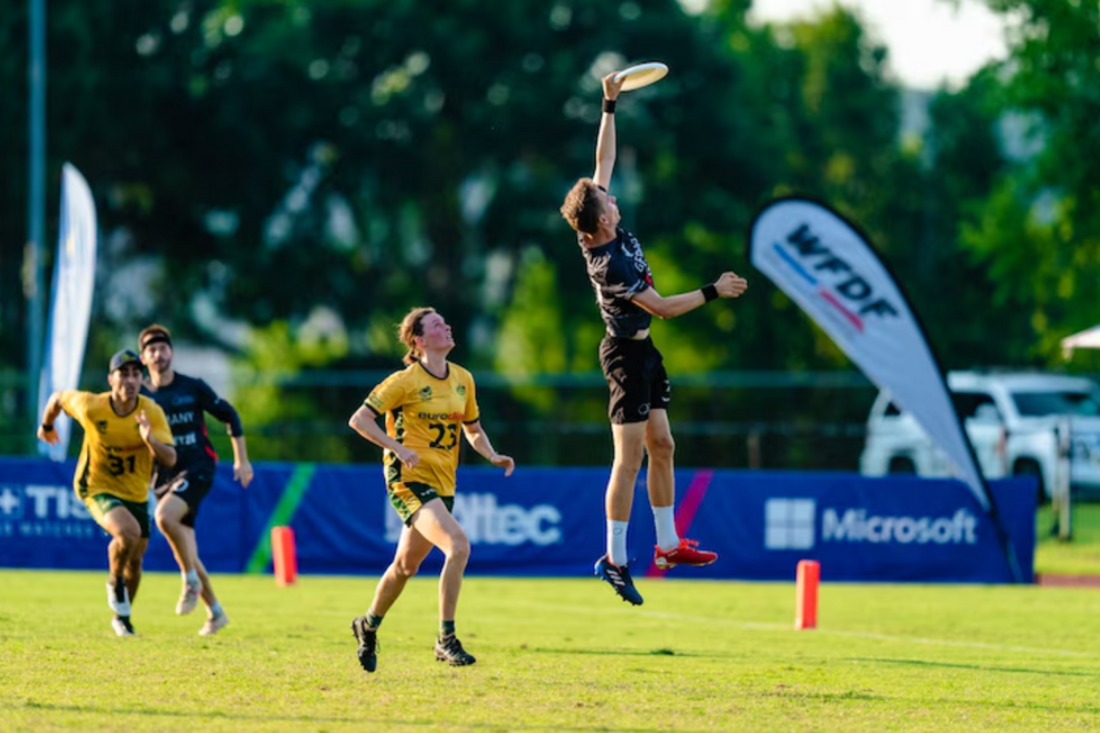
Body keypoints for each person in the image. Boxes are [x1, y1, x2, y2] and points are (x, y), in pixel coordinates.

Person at [559, 71, 749, 606]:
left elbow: (603, 163)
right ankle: (615, 559)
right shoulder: (607, 261)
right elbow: (664, 308)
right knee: (629, 459)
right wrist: (713, 290)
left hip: (644, 352)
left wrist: (609, 103)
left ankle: (668, 545)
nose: (614, 200)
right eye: (607, 204)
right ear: (596, 226)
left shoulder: (601, 223)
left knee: (663, 444)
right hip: (623, 355)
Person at [346, 307, 515, 673]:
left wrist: (492, 454)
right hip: (408, 480)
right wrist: (396, 447)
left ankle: (367, 624)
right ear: (419, 341)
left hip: (443, 482)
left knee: (405, 566)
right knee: (458, 546)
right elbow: (359, 420)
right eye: (437, 325)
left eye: (446, 322)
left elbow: (472, 428)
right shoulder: (404, 381)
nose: (447, 326)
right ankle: (446, 638)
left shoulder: (463, 379)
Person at [37, 349, 177, 636]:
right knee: (128, 533)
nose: (130, 380)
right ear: (110, 379)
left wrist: (149, 439)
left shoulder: (151, 412)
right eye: (123, 374)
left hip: (136, 492)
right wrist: (46, 426)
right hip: (96, 485)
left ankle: (122, 617)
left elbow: (171, 459)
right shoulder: (91, 406)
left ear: (142, 378)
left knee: (136, 561)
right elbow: (57, 398)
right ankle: (114, 581)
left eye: (136, 374)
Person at [138, 323, 253, 636]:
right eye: (151, 349)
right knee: (188, 551)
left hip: (199, 467)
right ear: (143, 357)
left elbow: (230, 415)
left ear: (171, 352)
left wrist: (241, 459)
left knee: (164, 518)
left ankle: (188, 579)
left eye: (163, 348)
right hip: (162, 477)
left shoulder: (192, 387)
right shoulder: (142, 397)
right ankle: (215, 613)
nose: (158, 354)